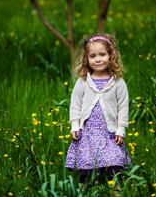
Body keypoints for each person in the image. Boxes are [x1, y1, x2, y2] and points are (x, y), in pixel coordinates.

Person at [65, 33, 131, 194]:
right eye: (93, 56)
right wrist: (74, 125)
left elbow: (123, 107)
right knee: (87, 166)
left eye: (102, 54)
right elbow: (75, 105)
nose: (98, 59)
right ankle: (83, 191)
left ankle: (116, 192)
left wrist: (121, 129)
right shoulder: (83, 81)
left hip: (110, 133)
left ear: (111, 56)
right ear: (86, 59)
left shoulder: (117, 81)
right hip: (88, 133)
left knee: (114, 163)